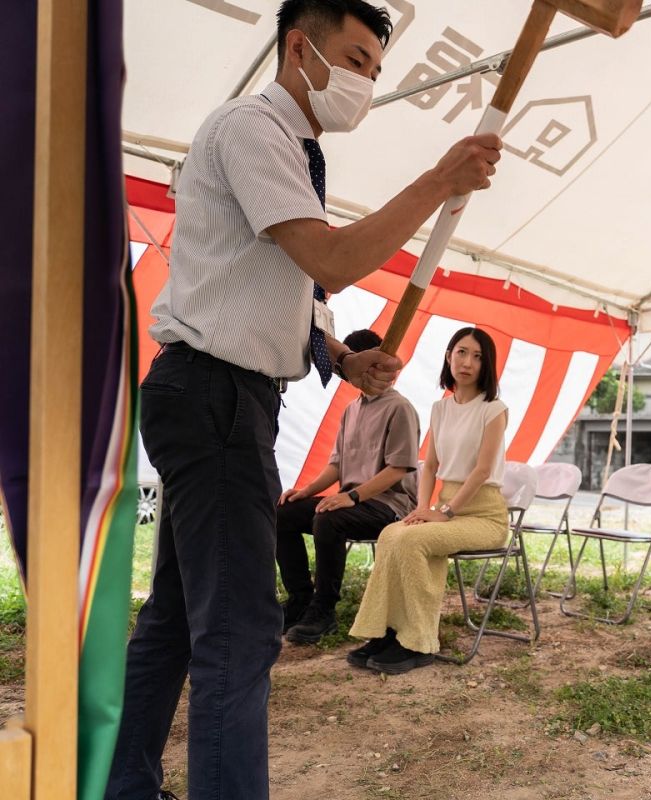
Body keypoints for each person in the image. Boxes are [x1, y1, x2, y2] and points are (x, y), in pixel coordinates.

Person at [105, 1, 502, 797]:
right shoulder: (253, 131)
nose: (366, 83)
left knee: (180, 617)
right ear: (299, 47)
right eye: (355, 60)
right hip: (217, 396)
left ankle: (124, 781)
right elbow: (329, 257)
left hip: (224, 394)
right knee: (242, 631)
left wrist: (339, 359)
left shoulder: (293, 151)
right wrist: (437, 181)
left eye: (375, 71)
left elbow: (294, 283)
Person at [347, 327, 509, 674]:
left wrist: (445, 511)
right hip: (447, 508)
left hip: (485, 516)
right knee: (392, 533)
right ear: (449, 356)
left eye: (478, 356)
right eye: (461, 352)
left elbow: (481, 471)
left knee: (416, 541)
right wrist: (423, 509)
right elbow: (430, 465)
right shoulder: (440, 408)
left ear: (487, 365)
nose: (467, 362)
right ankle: (385, 632)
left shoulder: (494, 409)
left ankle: (418, 642)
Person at [276, 328, 420, 644]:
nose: (349, 374)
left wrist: (351, 497)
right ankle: (301, 599)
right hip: (354, 502)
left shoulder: (400, 408)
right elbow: (337, 465)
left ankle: (324, 610)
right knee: (283, 513)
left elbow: (399, 468)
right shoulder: (351, 410)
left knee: (329, 518)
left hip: (391, 508)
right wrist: (306, 491)